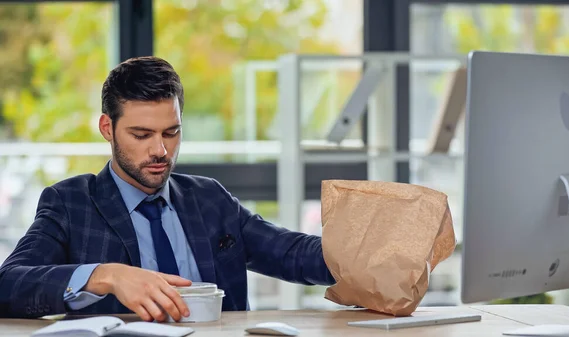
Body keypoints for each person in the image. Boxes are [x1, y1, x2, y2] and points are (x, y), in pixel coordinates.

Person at [0, 56, 335, 322]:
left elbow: (292, 253)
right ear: (108, 129)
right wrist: (106, 276)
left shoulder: (209, 199)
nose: (160, 150)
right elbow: (8, 285)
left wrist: (372, 252)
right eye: (142, 135)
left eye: (171, 132)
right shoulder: (70, 203)